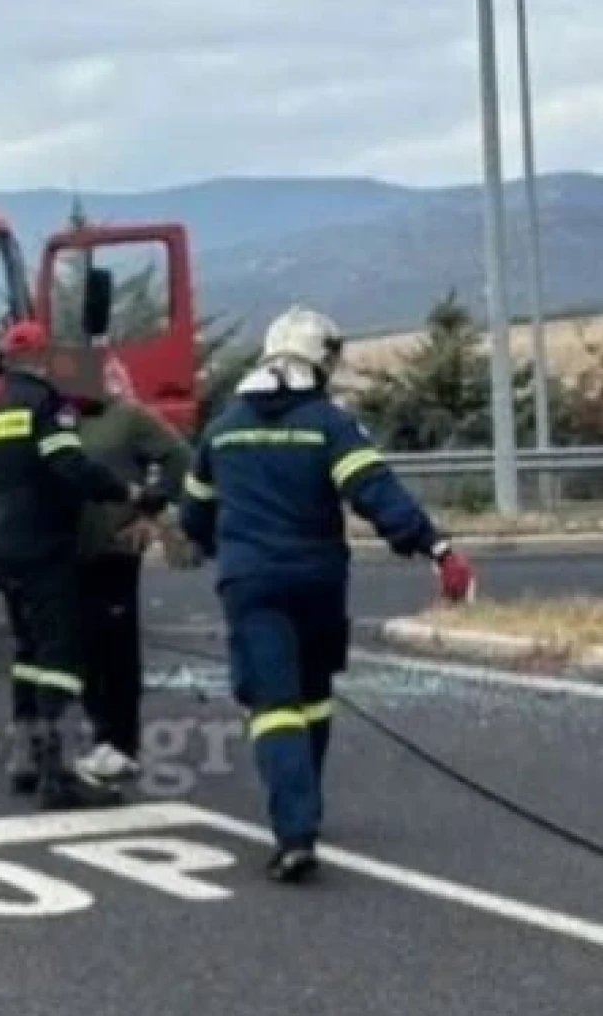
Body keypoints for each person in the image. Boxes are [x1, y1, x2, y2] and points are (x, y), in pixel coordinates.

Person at [178, 306, 473, 882]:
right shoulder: (329, 425)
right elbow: (375, 493)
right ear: (320, 362)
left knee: (274, 705)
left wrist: (227, 551)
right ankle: (303, 806)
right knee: (312, 696)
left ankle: (295, 828)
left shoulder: (222, 429)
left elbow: (193, 516)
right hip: (316, 579)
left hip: (250, 583)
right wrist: (434, 547)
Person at [0, 321, 158, 809]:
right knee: (61, 658)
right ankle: (58, 775)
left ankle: (27, 762)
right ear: (41, 359)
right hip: (44, 548)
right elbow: (70, 467)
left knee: (29, 654)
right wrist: (130, 493)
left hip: (3, 548)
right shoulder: (48, 406)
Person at [66, 358, 196, 787]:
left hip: (116, 548)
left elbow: (181, 459)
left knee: (116, 648)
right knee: (83, 647)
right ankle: (101, 733)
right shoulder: (66, 423)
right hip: (70, 552)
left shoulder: (131, 418)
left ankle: (120, 743)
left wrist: (150, 510)